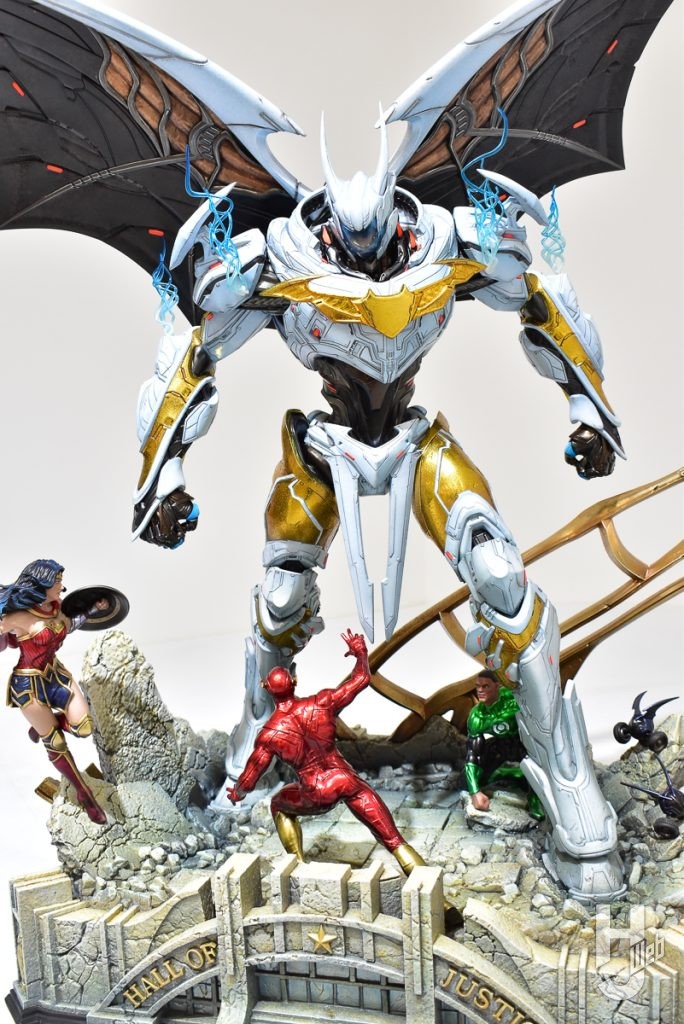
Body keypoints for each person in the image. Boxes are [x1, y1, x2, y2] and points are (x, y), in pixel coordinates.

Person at [226, 629, 425, 876]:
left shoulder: (269, 735)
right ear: (294, 681)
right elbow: (362, 679)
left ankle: (297, 866)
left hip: (315, 792)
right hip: (345, 780)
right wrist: (360, 653)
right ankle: (432, 889)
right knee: (394, 841)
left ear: (267, 689)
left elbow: (250, 776)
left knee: (278, 804)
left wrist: (237, 793)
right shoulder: (322, 702)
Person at [0, 559, 107, 824]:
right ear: (42, 584)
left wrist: (93, 609)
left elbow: (68, 625)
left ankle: (43, 727)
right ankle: (84, 794)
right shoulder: (19, 616)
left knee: (84, 727)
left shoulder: (57, 606)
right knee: (57, 744)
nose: (61, 585)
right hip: (28, 686)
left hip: (55, 674)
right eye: (57, 581)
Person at [466, 671, 543, 821]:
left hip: (522, 744)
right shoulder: (477, 716)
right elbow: (473, 754)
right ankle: (502, 775)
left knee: (537, 761)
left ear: (497, 686)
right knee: (473, 779)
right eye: (477, 686)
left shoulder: (513, 698)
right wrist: (474, 791)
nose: (480, 690)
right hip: (499, 746)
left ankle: (535, 798)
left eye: (485, 686)